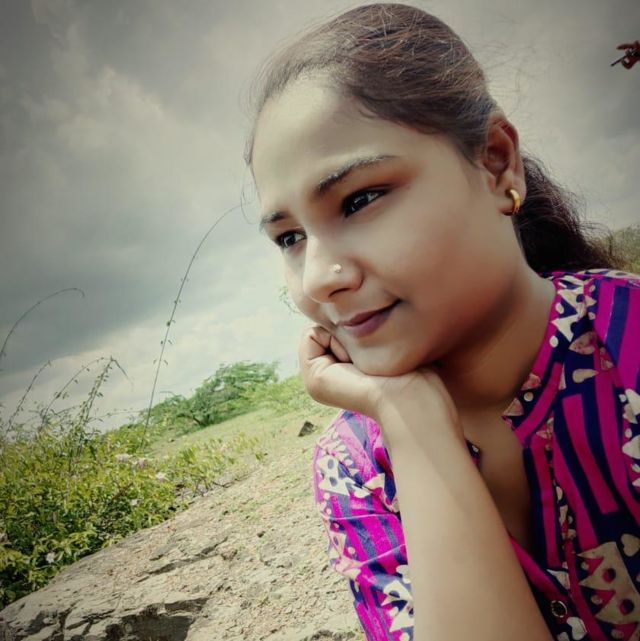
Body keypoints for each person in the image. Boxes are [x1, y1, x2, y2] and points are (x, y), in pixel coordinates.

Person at [243, 4, 640, 640]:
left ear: (495, 162)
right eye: (289, 238)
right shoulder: (354, 469)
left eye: (359, 199)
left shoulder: (630, 340)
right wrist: (409, 419)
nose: (318, 277)